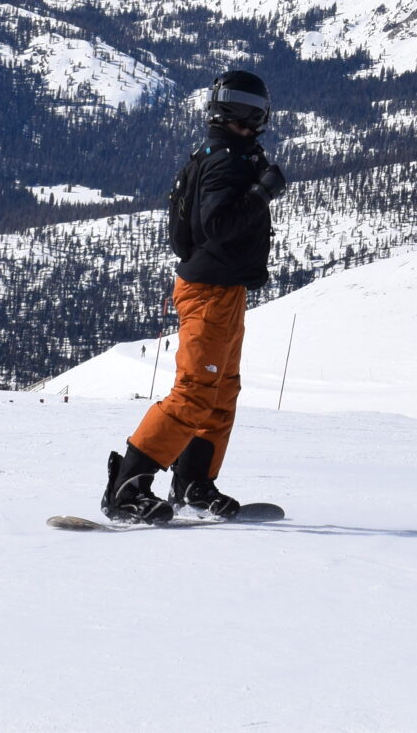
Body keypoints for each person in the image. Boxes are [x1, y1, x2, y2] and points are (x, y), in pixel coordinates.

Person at [101, 70, 285, 523]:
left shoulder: (223, 152)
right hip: (209, 291)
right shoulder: (226, 159)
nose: (250, 114)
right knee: (196, 391)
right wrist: (262, 192)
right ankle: (128, 486)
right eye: (247, 106)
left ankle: (193, 482)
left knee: (221, 392)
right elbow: (217, 226)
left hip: (223, 288)